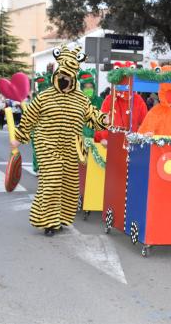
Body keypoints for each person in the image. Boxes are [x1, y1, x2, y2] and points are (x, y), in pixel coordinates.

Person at [10, 45, 107, 236]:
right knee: (52, 181)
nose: (64, 80)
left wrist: (105, 120)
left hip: (72, 146)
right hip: (47, 144)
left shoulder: (80, 99)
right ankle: (48, 222)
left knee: (69, 185)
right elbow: (29, 117)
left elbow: (91, 115)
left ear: (73, 78)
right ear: (57, 75)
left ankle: (61, 218)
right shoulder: (44, 97)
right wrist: (19, 137)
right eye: (62, 76)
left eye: (68, 77)